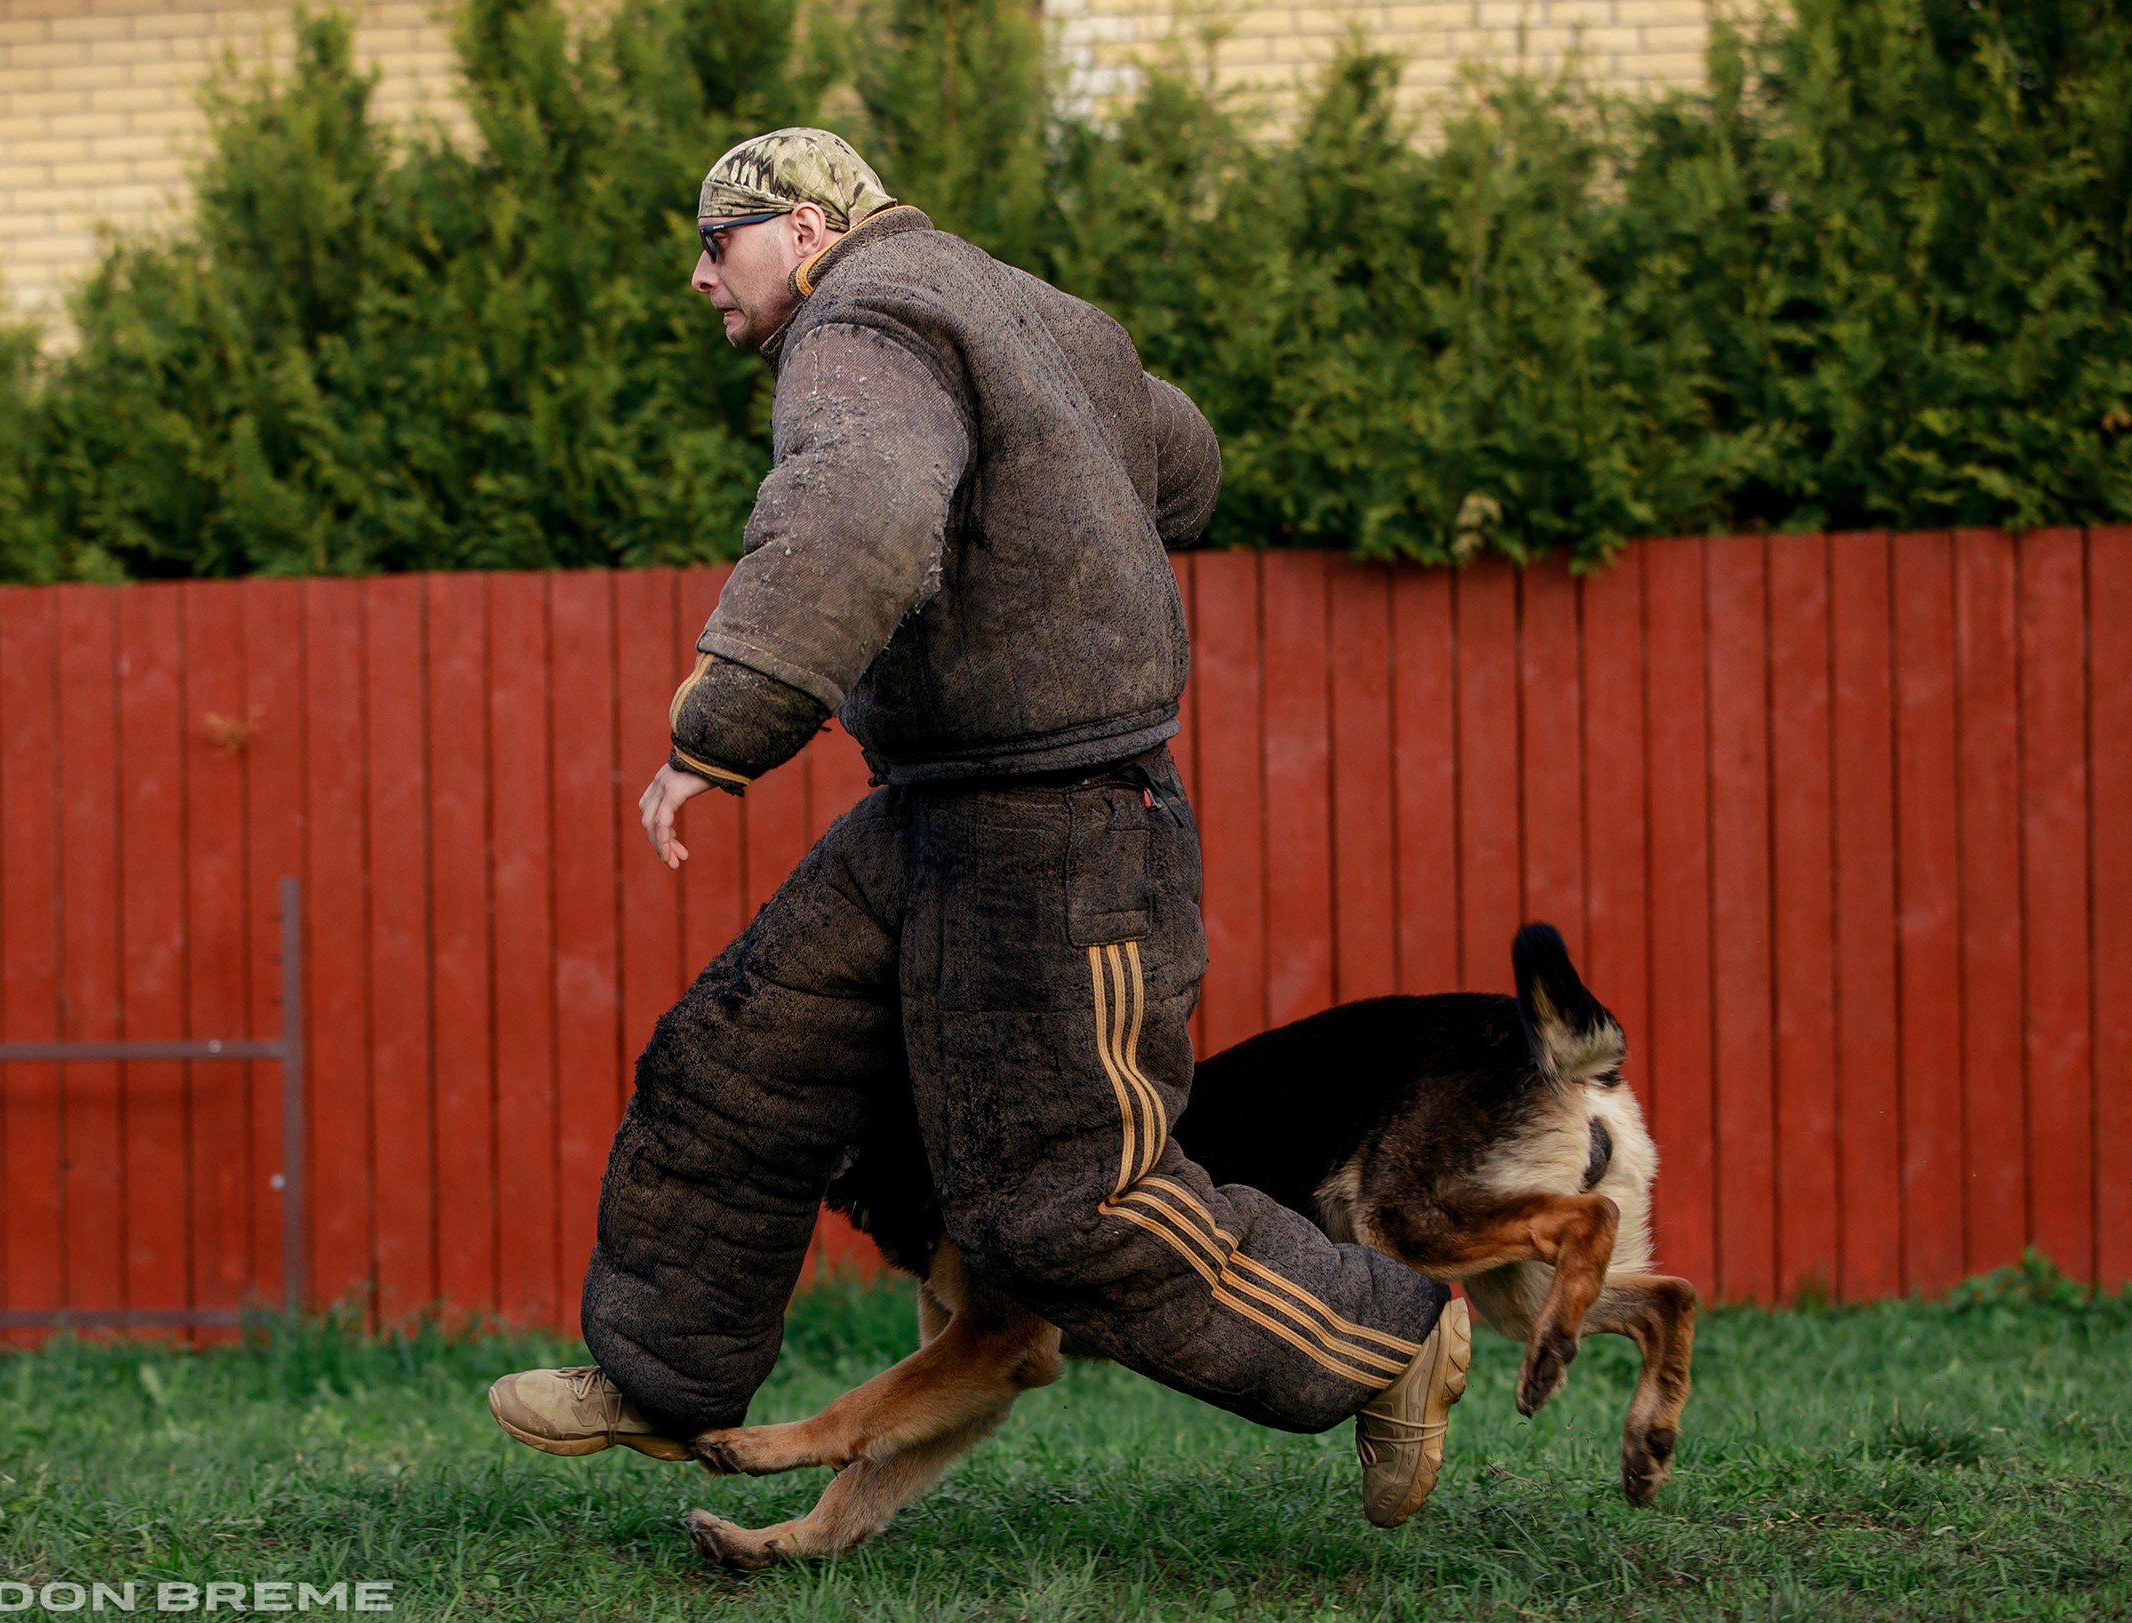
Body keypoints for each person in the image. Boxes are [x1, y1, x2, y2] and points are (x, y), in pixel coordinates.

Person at [488, 128, 1469, 1527]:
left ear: (811, 231)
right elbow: (1183, 469)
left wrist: (728, 720)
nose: (702, 278)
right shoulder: (1035, 313)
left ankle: (1387, 1340)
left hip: (1062, 834)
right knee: (737, 1064)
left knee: (1066, 1206)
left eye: (721, 244)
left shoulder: (862, 324)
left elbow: (860, 513)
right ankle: (664, 1376)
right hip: (936, 809)